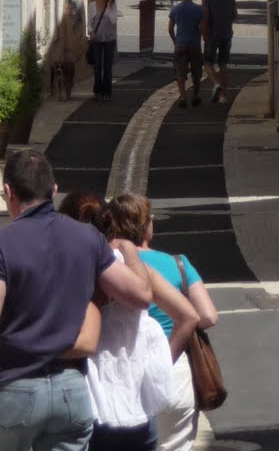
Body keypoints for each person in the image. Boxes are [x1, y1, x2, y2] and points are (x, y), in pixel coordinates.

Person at [0, 150, 152, 451]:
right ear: (53, 191)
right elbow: (141, 296)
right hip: (72, 391)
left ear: (8, 192)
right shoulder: (88, 239)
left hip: (15, 385)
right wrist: (129, 250)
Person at [59, 193, 196, 451]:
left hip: (92, 402)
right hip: (139, 405)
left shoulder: (76, 270)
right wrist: (160, 365)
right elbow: (189, 316)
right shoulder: (136, 271)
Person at [116, 193, 219, 451]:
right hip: (175, 372)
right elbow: (208, 316)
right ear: (148, 225)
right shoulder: (178, 264)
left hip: (125, 369)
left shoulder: (111, 266)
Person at [199, 0, 238, 105]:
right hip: (226, 33)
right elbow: (234, 14)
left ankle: (216, 84)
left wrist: (204, 34)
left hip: (212, 33)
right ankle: (223, 96)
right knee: (223, 63)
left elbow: (205, 17)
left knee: (208, 62)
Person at [167, 0, 204, 108]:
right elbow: (203, 28)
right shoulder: (199, 9)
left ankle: (182, 97)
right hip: (194, 43)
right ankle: (196, 96)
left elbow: (170, 28)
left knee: (180, 72)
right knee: (196, 72)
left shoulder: (176, 9)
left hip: (180, 43)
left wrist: (175, 40)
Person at [88, 0, 119, 101]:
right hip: (97, 39)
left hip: (109, 39)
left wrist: (108, 8)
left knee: (107, 68)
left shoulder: (112, 6)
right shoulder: (92, 5)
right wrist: (91, 32)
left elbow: (113, 20)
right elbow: (89, 23)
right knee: (97, 66)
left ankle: (107, 92)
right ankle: (97, 91)